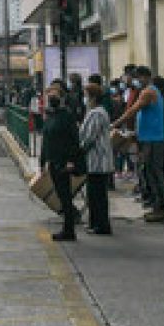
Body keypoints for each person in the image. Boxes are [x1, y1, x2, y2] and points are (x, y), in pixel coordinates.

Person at [115, 65, 164, 222]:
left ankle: (161, 207)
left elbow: (132, 110)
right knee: (150, 171)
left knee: (154, 172)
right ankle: (157, 205)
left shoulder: (148, 92)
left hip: (153, 139)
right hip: (148, 137)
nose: (136, 81)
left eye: (138, 78)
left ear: (145, 77)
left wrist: (115, 124)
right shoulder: (148, 91)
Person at [39, 86, 83, 241]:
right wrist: (42, 162)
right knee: (60, 195)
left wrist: (71, 160)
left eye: (54, 96)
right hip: (53, 161)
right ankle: (67, 227)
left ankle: (69, 229)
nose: (51, 99)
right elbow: (46, 140)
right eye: (49, 96)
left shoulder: (67, 117)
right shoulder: (50, 116)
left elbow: (74, 141)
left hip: (64, 161)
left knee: (65, 196)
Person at [80, 82, 113, 235]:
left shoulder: (97, 113)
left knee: (98, 195)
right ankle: (95, 223)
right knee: (93, 194)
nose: (84, 98)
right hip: (94, 161)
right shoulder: (94, 112)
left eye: (86, 95)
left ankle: (101, 225)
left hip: (98, 161)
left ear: (92, 97)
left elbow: (90, 137)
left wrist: (79, 150)